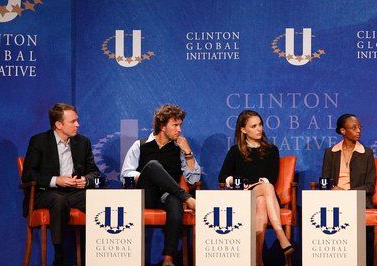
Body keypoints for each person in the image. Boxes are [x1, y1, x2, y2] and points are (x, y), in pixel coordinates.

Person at [121, 104, 200, 266]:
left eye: (180, 125)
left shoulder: (179, 149)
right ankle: (187, 198)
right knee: (152, 166)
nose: (179, 130)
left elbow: (193, 179)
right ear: (162, 126)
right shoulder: (140, 145)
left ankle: (168, 259)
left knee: (174, 201)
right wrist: (145, 176)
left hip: (167, 195)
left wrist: (188, 152)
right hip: (145, 195)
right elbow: (125, 175)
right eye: (175, 125)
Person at [22, 103, 99, 266]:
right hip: (45, 193)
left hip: (73, 192)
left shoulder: (83, 142)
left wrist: (85, 180)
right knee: (58, 201)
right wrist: (56, 180)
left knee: (98, 200)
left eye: (77, 120)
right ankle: (59, 256)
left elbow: (94, 172)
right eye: (73, 121)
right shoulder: (39, 141)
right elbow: (28, 174)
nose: (78, 124)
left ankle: (96, 256)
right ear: (58, 125)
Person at [218, 110, 293, 266]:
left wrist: (254, 185)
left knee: (261, 199)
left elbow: (271, 177)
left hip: (264, 195)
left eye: (260, 125)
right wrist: (235, 182)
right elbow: (222, 177)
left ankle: (257, 261)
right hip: (243, 198)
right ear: (243, 130)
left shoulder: (271, 150)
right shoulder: (235, 151)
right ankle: (281, 236)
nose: (259, 129)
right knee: (265, 188)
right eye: (254, 126)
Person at [321, 113, 376, 207]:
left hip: (357, 199)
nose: (358, 131)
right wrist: (333, 188)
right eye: (354, 128)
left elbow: (370, 186)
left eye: (359, 127)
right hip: (334, 198)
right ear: (343, 130)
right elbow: (324, 182)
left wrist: (348, 193)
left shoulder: (367, 153)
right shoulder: (330, 152)